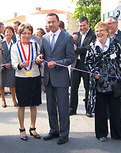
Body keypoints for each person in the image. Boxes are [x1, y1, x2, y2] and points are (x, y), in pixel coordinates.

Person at [85, 21, 121, 142]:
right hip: (99, 84)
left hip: (114, 83)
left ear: (107, 32)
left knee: (116, 110)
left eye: (102, 30)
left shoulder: (115, 44)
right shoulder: (92, 46)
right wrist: (94, 72)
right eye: (97, 31)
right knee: (100, 110)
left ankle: (118, 134)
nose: (99, 33)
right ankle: (101, 134)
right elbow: (87, 63)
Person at [36, 13, 75, 145]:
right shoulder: (45, 37)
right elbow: (42, 54)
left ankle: (64, 134)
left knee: (63, 108)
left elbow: (71, 58)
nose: (51, 24)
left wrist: (58, 63)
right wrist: (38, 58)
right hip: (48, 78)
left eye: (53, 22)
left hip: (61, 78)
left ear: (58, 22)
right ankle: (54, 130)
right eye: (48, 22)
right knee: (50, 107)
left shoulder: (67, 37)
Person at [11, 23, 42, 141]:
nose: (27, 35)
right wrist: (19, 65)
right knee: (22, 104)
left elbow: (39, 56)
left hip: (34, 76)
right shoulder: (15, 47)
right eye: (24, 33)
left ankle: (33, 127)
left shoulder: (35, 45)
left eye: (29, 33)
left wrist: (39, 59)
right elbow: (13, 63)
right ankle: (22, 129)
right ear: (20, 34)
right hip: (21, 77)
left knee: (34, 104)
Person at [69, 16, 96, 117]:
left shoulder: (93, 35)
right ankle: (72, 108)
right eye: (80, 26)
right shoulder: (75, 35)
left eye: (84, 25)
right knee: (73, 88)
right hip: (75, 64)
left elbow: (90, 48)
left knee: (88, 87)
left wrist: (77, 49)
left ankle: (89, 109)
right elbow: (69, 45)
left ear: (88, 24)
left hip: (86, 65)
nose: (82, 28)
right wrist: (70, 39)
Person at [105, 16, 121, 117]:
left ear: (116, 24)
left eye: (110, 23)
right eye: (107, 24)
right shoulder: (105, 37)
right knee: (108, 92)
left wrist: (120, 69)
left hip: (119, 71)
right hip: (107, 71)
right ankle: (108, 113)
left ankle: (119, 114)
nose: (108, 26)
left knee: (118, 92)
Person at [0, 26, 18, 108]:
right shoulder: (0, 43)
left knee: (12, 84)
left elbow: (15, 55)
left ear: (13, 33)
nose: (8, 33)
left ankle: (14, 99)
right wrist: (4, 64)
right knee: (1, 84)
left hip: (11, 66)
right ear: (4, 33)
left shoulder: (15, 44)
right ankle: (3, 100)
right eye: (7, 32)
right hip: (2, 67)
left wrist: (10, 63)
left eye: (10, 32)